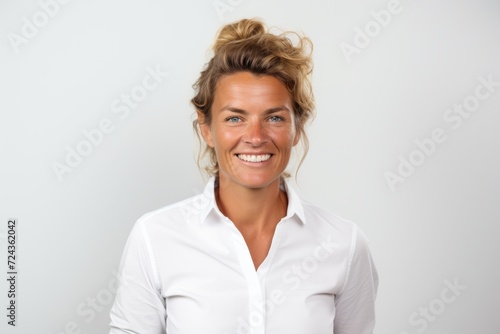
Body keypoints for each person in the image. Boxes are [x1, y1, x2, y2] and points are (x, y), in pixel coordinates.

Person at [109, 18, 378, 334]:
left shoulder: (344, 245)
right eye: (235, 118)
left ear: (297, 128)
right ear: (207, 128)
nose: (255, 136)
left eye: (274, 117)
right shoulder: (154, 238)